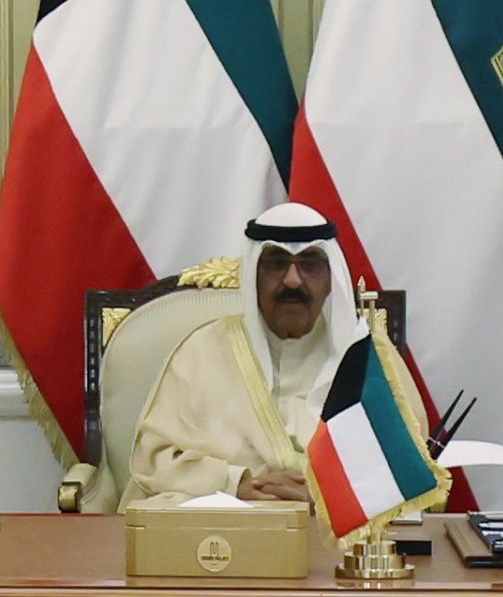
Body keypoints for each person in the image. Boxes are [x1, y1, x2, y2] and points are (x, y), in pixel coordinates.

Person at [124, 203, 366, 503]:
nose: (293, 281)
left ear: (332, 280)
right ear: (253, 276)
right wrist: (231, 484)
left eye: (310, 264)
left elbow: (406, 470)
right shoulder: (200, 352)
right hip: (228, 528)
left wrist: (330, 497)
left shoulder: (367, 359)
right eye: (277, 264)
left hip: (334, 535)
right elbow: (155, 459)